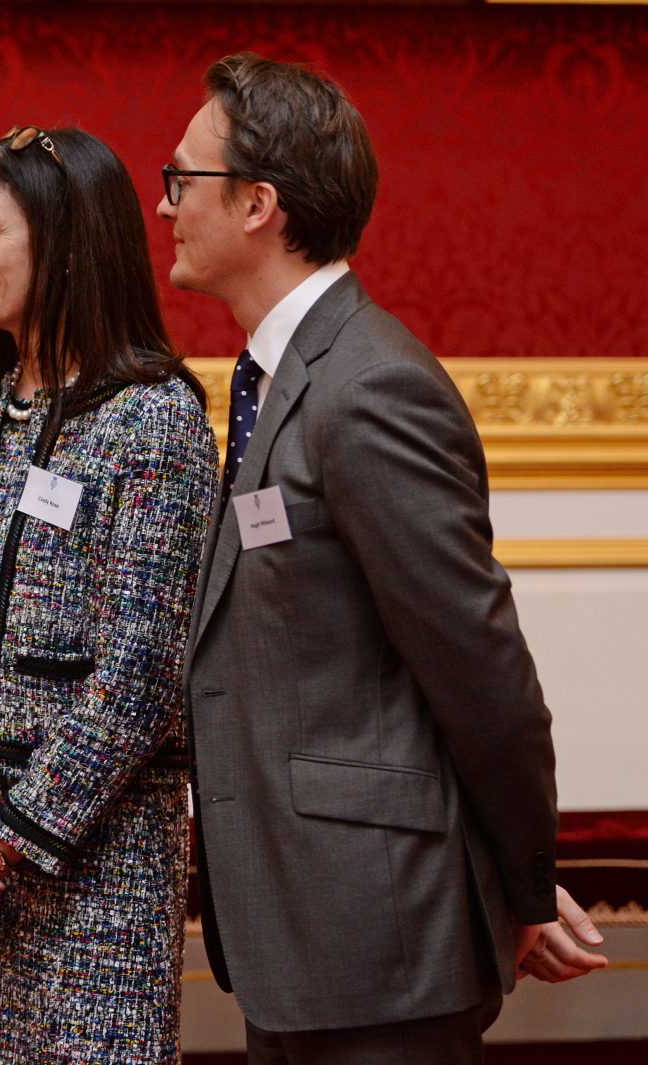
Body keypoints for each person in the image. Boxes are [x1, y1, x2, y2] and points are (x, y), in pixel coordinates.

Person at [161, 53, 607, 1064]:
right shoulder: (279, 379)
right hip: (305, 936)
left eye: (182, 179)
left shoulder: (368, 388)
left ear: (257, 206)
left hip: (376, 937)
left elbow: (479, 666)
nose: (163, 204)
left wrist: (521, 885)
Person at [0, 126, 218, 1063]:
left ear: (62, 242)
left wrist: (10, 837)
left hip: (88, 869)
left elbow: (142, 675)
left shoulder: (155, 419)